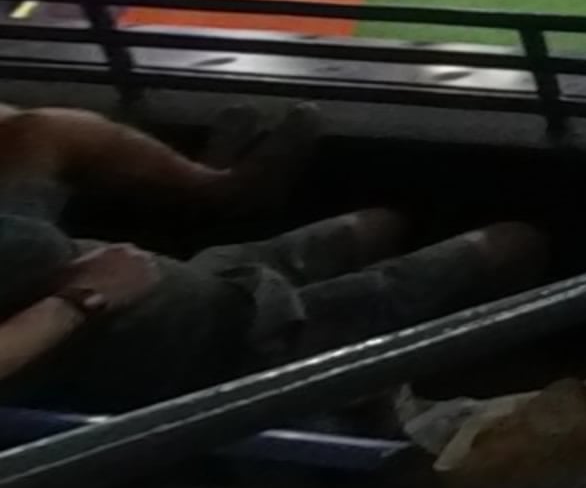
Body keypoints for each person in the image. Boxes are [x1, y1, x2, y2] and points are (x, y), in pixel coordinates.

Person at [0, 104, 546, 411]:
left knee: (382, 223)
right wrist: (82, 299)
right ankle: (473, 374)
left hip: (182, 285)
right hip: (213, 354)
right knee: (511, 241)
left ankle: (221, 189)